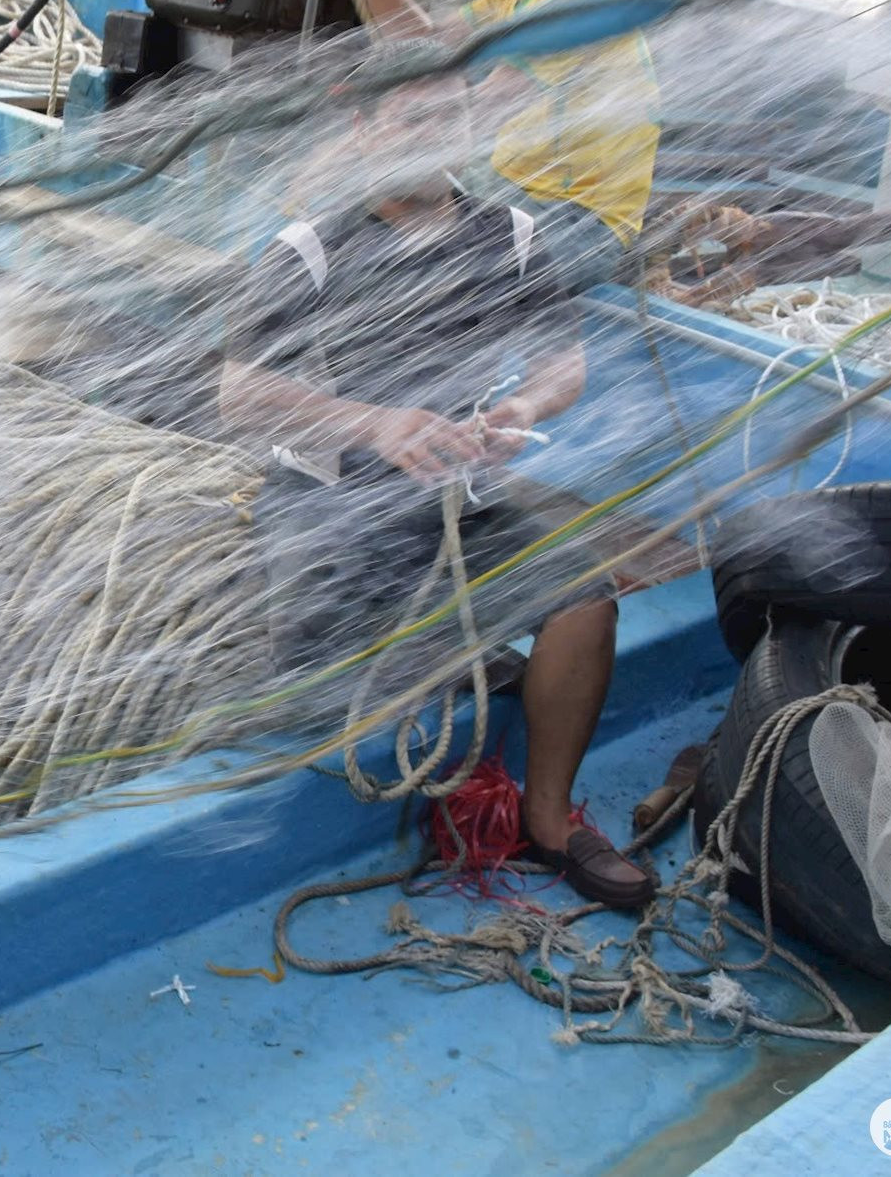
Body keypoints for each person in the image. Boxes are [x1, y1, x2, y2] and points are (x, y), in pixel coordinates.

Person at [219, 73, 654, 909]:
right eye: (408, 117)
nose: (430, 134)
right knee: (315, 685)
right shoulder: (308, 248)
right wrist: (376, 423)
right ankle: (450, 657)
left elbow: (566, 362)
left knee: (585, 601)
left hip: (460, 497)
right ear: (364, 125)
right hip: (327, 496)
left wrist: (521, 404)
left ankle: (551, 815)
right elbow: (239, 393)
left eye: (446, 118)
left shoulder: (514, 238)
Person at [329, 0, 660, 294]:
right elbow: (426, 46)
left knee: (415, 266)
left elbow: (477, 112)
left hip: (578, 222)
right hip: (509, 188)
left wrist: (351, 153)